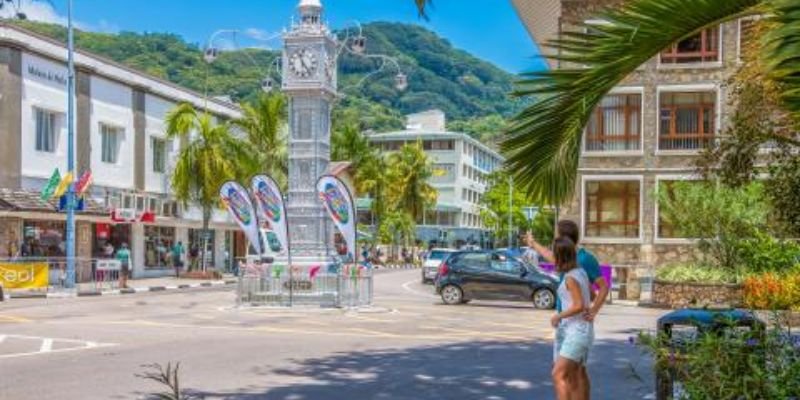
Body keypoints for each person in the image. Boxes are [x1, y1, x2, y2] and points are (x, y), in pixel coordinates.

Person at [525, 220, 608, 399]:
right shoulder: (573, 264)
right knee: (572, 372)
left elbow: (600, 288)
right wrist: (533, 243)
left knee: (566, 374)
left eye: (556, 235)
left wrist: (593, 310)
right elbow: (588, 293)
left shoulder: (584, 261)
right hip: (569, 325)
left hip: (576, 326)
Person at [550, 237, 594, 400]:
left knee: (558, 375)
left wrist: (557, 316)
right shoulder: (580, 272)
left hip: (576, 333)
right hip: (580, 331)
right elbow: (592, 294)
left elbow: (578, 305)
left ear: (560, 256)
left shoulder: (570, 278)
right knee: (574, 375)